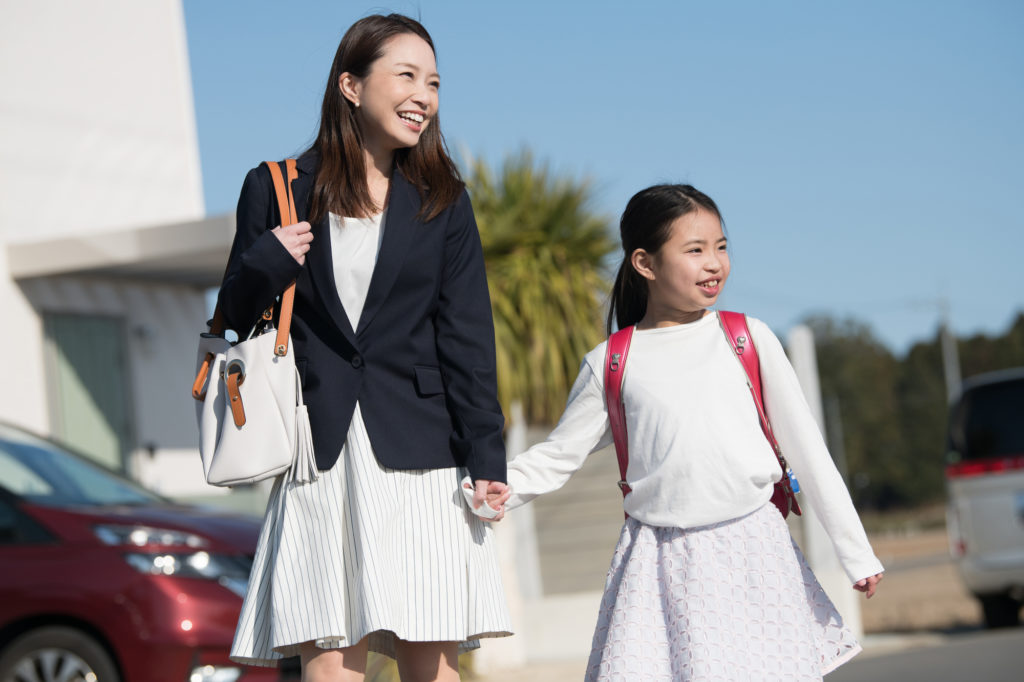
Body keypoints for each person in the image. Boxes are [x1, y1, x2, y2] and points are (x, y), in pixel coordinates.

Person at [217, 14, 511, 682]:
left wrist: (485, 454)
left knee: (431, 659)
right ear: (351, 85)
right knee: (327, 657)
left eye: (433, 82)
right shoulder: (277, 187)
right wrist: (266, 262)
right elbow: (231, 320)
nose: (424, 96)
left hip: (423, 452)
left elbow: (466, 336)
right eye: (405, 75)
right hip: (318, 451)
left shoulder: (442, 200)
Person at [490, 184, 884, 681]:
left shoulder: (748, 338)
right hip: (659, 564)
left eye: (721, 247)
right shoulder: (613, 361)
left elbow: (808, 452)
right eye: (694, 250)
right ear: (645, 263)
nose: (714, 263)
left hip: (755, 554)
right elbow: (556, 456)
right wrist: (492, 488)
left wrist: (856, 552)